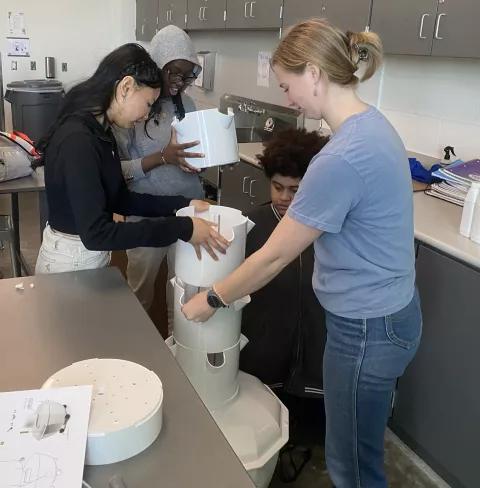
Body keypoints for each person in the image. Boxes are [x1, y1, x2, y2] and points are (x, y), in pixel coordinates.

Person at [182, 19, 422, 488]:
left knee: (351, 464)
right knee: (360, 452)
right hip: (392, 314)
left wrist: (210, 298)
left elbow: (272, 257)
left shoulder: (339, 158)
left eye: (288, 86)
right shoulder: (373, 125)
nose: (289, 99)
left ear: (314, 73)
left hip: (367, 329)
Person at [34, 43, 227, 275]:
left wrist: (182, 205)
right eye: (147, 104)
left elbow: (120, 199)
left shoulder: (101, 131)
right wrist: (183, 228)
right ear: (126, 87)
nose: (147, 114)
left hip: (84, 256)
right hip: (70, 261)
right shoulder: (79, 140)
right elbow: (98, 234)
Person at [114, 26, 204, 327]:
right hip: (146, 214)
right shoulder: (131, 109)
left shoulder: (188, 105)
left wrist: (203, 160)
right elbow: (119, 173)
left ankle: (176, 352)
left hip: (186, 210)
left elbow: (190, 153)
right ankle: (130, 354)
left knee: (182, 293)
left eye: (188, 76)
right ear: (157, 65)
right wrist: (162, 157)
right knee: (139, 295)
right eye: (174, 74)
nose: (181, 83)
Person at [240, 128, 329, 400]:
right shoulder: (251, 225)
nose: (283, 198)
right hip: (263, 357)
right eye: (277, 187)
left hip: (315, 357)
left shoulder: (327, 229)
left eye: (294, 190)